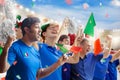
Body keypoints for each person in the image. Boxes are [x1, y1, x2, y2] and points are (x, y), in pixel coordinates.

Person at [0, 17, 68, 80]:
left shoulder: (35, 51)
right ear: (26, 29)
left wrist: (58, 63)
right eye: (37, 27)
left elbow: (39, 74)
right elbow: (2, 69)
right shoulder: (15, 47)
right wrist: (6, 47)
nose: (40, 30)